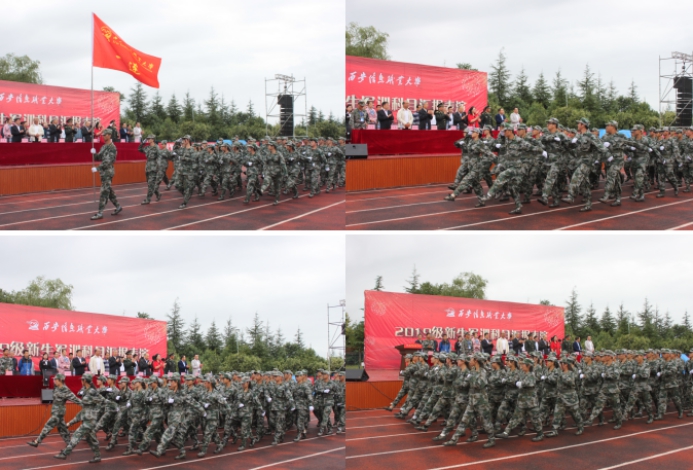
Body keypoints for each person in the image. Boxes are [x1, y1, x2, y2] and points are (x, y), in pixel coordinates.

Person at [54, 372, 107, 462]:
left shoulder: (92, 391)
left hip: (90, 420)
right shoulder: (86, 391)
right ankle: (97, 456)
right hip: (86, 418)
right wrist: (70, 423)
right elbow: (83, 410)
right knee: (91, 439)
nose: (81, 381)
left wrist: (96, 412)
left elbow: (104, 401)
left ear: (85, 380)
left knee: (76, 435)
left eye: (82, 380)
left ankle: (65, 453)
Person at [27, 373, 81, 448]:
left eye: (56, 379)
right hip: (55, 411)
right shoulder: (56, 387)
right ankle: (70, 444)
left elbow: (75, 399)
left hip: (58, 413)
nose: (54, 381)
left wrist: (87, 405)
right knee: (62, 429)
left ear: (60, 380)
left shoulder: (65, 390)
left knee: (48, 426)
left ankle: (37, 441)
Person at [90, 128, 122, 220]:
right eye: (103, 135)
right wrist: (94, 153)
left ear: (109, 135)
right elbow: (99, 157)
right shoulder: (104, 147)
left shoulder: (112, 148)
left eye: (105, 135)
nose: (103, 136)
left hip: (108, 172)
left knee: (104, 192)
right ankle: (118, 206)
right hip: (103, 173)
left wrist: (97, 168)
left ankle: (100, 213)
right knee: (109, 190)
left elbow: (108, 162)